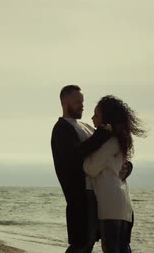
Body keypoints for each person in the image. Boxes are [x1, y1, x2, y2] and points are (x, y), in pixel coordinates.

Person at [51, 85, 113, 252]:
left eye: (82, 101)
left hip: (97, 191)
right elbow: (74, 156)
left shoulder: (85, 126)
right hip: (80, 195)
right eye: (77, 101)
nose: (82, 105)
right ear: (65, 102)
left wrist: (127, 167)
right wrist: (101, 135)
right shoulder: (61, 129)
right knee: (82, 243)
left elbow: (107, 151)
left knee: (89, 241)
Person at [83, 95, 146, 253]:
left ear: (107, 118)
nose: (92, 118)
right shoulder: (120, 140)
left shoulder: (110, 142)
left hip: (110, 203)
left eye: (96, 115)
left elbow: (90, 168)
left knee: (111, 249)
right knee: (123, 249)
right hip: (123, 204)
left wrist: (85, 155)